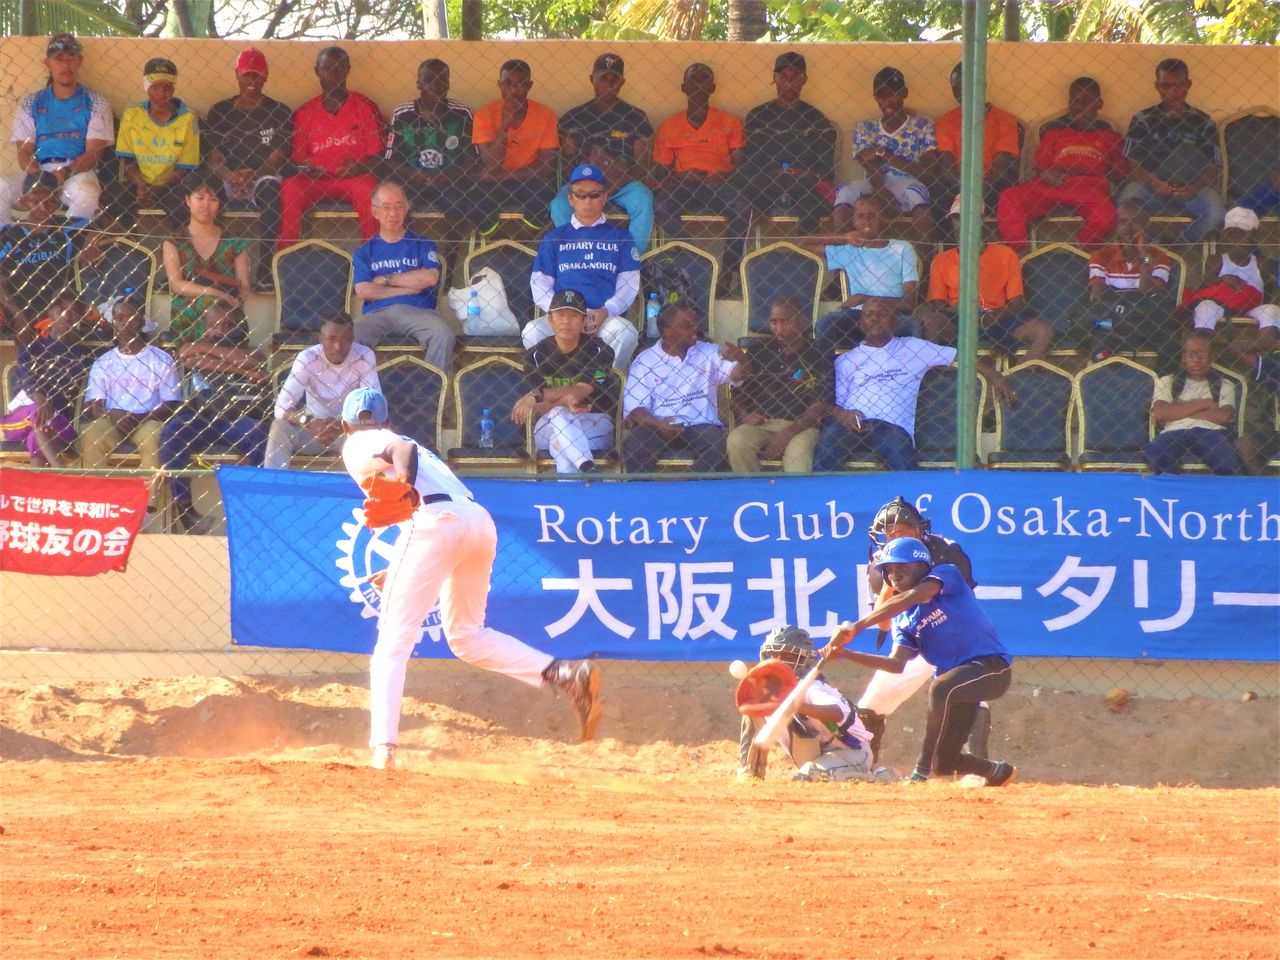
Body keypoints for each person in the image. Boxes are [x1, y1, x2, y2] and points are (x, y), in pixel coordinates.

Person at [339, 386, 603, 770]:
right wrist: (399, 563)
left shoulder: (358, 442)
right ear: (389, 419)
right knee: (467, 637)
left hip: (436, 525)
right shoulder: (412, 444)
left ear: (344, 426)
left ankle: (384, 752)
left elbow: (401, 452)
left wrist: (404, 484)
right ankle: (564, 673)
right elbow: (421, 481)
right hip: (475, 522)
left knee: (393, 642)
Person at [824, 536, 1016, 787]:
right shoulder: (904, 620)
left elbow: (910, 597)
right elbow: (896, 665)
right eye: (889, 570)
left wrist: (857, 627)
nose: (894, 575)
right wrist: (846, 654)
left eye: (902, 567)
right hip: (957, 687)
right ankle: (998, 771)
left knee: (939, 687)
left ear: (922, 566)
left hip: (991, 669)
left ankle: (919, 773)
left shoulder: (946, 575)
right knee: (944, 763)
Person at [852, 496, 987, 766]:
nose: (896, 538)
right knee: (870, 706)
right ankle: (862, 766)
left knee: (970, 693)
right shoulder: (880, 563)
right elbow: (884, 623)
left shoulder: (947, 551)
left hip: (954, 636)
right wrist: (892, 572)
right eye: (890, 534)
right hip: (913, 640)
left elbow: (963, 603)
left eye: (903, 531)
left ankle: (976, 767)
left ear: (919, 530)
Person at [811, 297, 1012, 472]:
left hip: (891, 427)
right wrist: (844, 415)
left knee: (902, 459)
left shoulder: (913, 347)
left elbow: (962, 357)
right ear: (861, 324)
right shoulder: (845, 360)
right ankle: (819, 498)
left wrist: (996, 376)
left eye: (882, 314)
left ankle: (912, 501)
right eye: (869, 315)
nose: (875, 318)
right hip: (853, 423)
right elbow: (839, 404)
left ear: (894, 322)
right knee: (828, 446)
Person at [160, 302, 271, 531]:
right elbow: (189, 356)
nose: (221, 331)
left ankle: (255, 505)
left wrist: (211, 355)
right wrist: (243, 371)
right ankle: (186, 509)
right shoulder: (194, 346)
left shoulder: (252, 351)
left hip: (236, 420)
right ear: (205, 327)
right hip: (202, 419)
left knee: (260, 432)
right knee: (173, 431)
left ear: (239, 327)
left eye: (228, 325)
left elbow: (252, 360)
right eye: (214, 325)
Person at [526, 163, 641, 372]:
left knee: (626, 332)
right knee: (532, 331)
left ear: (604, 197)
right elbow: (539, 284)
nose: (587, 201)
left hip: (602, 318)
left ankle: (603, 383)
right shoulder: (555, 238)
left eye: (594, 195)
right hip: (564, 317)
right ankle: (555, 383)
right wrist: (562, 314)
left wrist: (605, 311)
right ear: (570, 199)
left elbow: (629, 284)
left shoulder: (621, 237)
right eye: (580, 195)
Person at [651, 63, 751, 296]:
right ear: (684, 87)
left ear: (712, 87)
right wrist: (680, 175)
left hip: (717, 184)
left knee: (742, 207)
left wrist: (723, 175)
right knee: (660, 205)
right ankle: (696, 259)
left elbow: (742, 166)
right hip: (683, 184)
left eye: (704, 80)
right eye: (693, 80)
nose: (698, 85)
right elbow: (659, 172)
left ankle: (727, 272)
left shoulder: (729, 122)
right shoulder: (669, 126)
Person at [996, 77, 1124, 256]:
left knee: (1106, 215)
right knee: (1009, 198)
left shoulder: (1110, 136)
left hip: (1089, 188)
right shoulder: (1054, 133)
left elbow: (1120, 172)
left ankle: (1082, 252)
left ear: (1099, 104)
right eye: (1074, 101)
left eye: (1086, 101)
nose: (1079, 106)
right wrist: (1046, 174)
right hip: (1052, 184)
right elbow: (1040, 167)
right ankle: (1019, 255)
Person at [919, 196, 1055, 360]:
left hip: (998, 318)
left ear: (981, 220)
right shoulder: (941, 260)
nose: (962, 224)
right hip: (958, 319)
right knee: (932, 321)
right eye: (957, 218)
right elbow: (938, 305)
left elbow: (1017, 303)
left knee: (1043, 331)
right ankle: (936, 370)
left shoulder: (1005, 255)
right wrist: (963, 310)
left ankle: (1024, 370)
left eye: (969, 218)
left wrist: (994, 315)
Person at [736, 626, 877, 783]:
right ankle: (750, 773)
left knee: (808, 778)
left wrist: (794, 705)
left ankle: (878, 777)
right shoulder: (777, 690)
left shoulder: (813, 687)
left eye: (786, 656)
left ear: (804, 661)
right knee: (755, 707)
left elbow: (837, 713)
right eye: (773, 655)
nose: (777, 661)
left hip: (850, 751)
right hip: (817, 747)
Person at [621, 302, 747, 473]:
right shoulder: (645, 361)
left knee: (717, 446)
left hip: (700, 423)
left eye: (695, 324)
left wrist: (741, 360)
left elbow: (737, 374)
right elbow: (636, 408)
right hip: (658, 424)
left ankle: (687, 483)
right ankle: (645, 489)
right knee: (634, 445)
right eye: (688, 326)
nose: (695, 329)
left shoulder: (709, 351)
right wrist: (659, 425)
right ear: (666, 331)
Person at [0, 33, 111, 226]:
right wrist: (40, 178)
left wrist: (64, 173)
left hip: (74, 173)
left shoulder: (96, 102)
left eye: (71, 59)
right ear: (48, 63)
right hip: (38, 171)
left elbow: (93, 154)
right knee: (2, 187)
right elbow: (24, 152)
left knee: (86, 192)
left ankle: (70, 241)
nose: (66, 65)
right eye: (59, 59)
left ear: (80, 61)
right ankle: (7, 239)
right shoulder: (30, 102)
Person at [278, 47, 384, 250]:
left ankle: (373, 257)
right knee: (290, 187)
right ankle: (286, 257)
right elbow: (297, 161)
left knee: (368, 188)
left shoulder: (364, 106)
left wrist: (359, 168)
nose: (334, 74)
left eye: (339, 68)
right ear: (317, 71)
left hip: (354, 178)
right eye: (327, 68)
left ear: (348, 70)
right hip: (317, 180)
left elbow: (379, 157)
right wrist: (307, 169)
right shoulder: (305, 112)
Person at [203, 48, 292, 281]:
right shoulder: (221, 111)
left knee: (271, 192)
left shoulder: (278, 111)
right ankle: (208, 265)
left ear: (266, 76)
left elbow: (277, 158)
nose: (252, 80)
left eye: (257, 75)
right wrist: (232, 177)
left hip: (262, 176)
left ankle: (266, 269)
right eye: (247, 75)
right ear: (237, 75)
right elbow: (214, 159)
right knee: (204, 192)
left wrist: (251, 177)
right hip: (228, 177)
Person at [552, 52, 654, 253]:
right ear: (592, 80)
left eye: (614, 80)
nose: (608, 85)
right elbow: (565, 164)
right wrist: (583, 185)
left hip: (623, 184)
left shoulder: (636, 117)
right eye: (603, 79)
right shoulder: (574, 117)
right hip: (583, 185)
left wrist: (614, 182)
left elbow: (642, 168)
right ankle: (578, 256)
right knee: (559, 204)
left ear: (621, 83)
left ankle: (629, 259)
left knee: (643, 199)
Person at [511, 289, 618, 475]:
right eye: (560, 315)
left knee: (560, 443)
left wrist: (539, 395)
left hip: (594, 421)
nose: (566, 321)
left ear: (584, 320)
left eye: (573, 315)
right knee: (559, 414)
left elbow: (583, 389)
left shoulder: (602, 352)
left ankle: (571, 485)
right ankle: (586, 467)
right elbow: (539, 409)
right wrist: (561, 402)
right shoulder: (534, 356)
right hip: (548, 424)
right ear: (550, 319)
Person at [351, 181, 455, 371]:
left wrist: (386, 280)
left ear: (407, 209)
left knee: (443, 335)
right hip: (378, 314)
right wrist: (408, 288)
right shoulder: (365, 251)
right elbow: (364, 291)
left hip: (419, 312)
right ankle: (362, 388)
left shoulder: (422, 243)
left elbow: (430, 278)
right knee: (351, 334)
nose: (393, 214)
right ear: (374, 211)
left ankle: (433, 388)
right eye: (386, 207)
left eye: (399, 207)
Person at [1119, 58, 1224, 244]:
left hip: (1191, 188)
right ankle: (1152, 247)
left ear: (1188, 85)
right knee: (1127, 201)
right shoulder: (1143, 120)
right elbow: (1131, 166)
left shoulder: (1203, 121)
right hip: (1150, 186)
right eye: (1166, 86)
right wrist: (1152, 180)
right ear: (1157, 87)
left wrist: (1195, 185)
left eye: (1179, 85)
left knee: (1216, 212)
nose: (1173, 92)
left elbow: (1213, 168)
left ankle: (1180, 244)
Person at [726, 298, 831, 474]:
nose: (778, 329)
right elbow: (737, 395)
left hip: (801, 426)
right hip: (763, 423)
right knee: (737, 441)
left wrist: (788, 433)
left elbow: (819, 406)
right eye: (774, 322)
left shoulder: (817, 355)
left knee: (798, 455)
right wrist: (745, 415)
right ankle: (754, 490)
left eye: (785, 322)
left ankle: (794, 493)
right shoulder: (758, 351)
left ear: (801, 322)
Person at [79, 294, 181, 475]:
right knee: (91, 434)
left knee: (155, 437)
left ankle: (151, 493)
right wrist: (113, 414)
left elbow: (171, 403)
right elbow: (93, 404)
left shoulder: (161, 359)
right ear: (113, 322)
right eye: (119, 318)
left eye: (131, 318)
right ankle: (95, 490)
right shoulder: (103, 362)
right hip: (112, 419)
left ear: (141, 321)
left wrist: (140, 418)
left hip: (148, 419)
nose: (125, 324)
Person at [739, 52, 838, 236]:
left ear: (804, 80)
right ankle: (752, 252)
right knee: (745, 197)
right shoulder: (758, 116)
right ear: (774, 78)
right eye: (783, 76)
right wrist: (774, 174)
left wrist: (804, 174)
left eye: (795, 77)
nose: (789, 82)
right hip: (768, 183)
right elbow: (750, 163)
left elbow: (826, 168)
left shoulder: (816, 119)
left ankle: (806, 252)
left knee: (811, 202)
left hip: (804, 184)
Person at [264, 313, 380, 469]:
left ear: (352, 339)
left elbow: (374, 405)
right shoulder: (307, 358)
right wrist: (310, 422)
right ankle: (274, 481)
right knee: (279, 427)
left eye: (345, 340)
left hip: (348, 431)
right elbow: (281, 408)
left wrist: (344, 424)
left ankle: (366, 482)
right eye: (331, 339)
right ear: (320, 338)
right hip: (311, 431)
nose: (338, 347)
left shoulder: (364, 355)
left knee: (373, 431)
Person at [833, 66, 936, 242]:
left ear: (904, 93)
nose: (887, 101)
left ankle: (925, 256)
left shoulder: (922, 126)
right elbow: (870, 165)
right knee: (844, 190)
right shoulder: (865, 127)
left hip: (907, 183)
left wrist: (882, 152)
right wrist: (881, 192)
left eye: (893, 94)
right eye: (881, 95)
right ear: (875, 96)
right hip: (873, 182)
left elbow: (926, 172)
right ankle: (841, 252)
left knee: (916, 192)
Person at [806, 193, 919, 352]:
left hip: (892, 316)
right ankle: (828, 368)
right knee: (825, 323)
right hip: (858, 317)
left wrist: (863, 298)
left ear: (884, 219)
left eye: (872, 216)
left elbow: (908, 304)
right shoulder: (849, 250)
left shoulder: (902, 248)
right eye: (860, 216)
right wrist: (843, 238)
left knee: (914, 326)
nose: (867, 221)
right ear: (853, 221)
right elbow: (802, 243)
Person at [101, 57, 200, 230]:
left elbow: (185, 167)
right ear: (147, 87)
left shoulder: (188, 118)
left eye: (167, 87)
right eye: (155, 87)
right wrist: (140, 184)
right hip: (137, 183)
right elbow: (127, 160)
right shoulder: (132, 115)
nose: (161, 93)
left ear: (173, 89)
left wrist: (160, 187)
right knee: (115, 196)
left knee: (182, 203)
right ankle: (126, 241)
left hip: (171, 184)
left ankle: (179, 241)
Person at [381, 58, 479, 229]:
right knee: (397, 202)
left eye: (442, 79)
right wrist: (414, 174)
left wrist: (446, 175)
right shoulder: (403, 114)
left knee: (458, 203)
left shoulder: (462, 113)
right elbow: (390, 159)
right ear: (418, 84)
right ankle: (406, 244)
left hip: (450, 181)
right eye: (429, 80)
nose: (436, 85)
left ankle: (452, 245)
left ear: (448, 84)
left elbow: (472, 160)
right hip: (412, 179)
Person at [161, 171, 254, 345]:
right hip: (188, 311)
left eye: (213, 199)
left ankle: (202, 354)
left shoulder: (234, 241)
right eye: (200, 198)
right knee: (209, 304)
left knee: (226, 318)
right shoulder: (174, 241)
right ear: (187, 200)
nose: (206, 205)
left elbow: (245, 287)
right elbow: (176, 284)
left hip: (227, 310)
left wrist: (234, 302)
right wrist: (215, 293)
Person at [0, 293, 94, 465]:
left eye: (74, 311)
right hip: (25, 416)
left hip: (61, 422)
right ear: (50, 312)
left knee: (38, 432)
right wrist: (39, 398)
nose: (67, 315)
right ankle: (61, 473)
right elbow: (25, 375)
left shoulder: (84, 354)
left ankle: (47, 478)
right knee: (38, 415)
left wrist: (101, 322)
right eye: (62, 309)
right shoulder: (33, 347)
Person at [471, 59, 559, 233]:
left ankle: (527, 241)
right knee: (476, 203)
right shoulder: (484, 115)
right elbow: (491, 164)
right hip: (494, 180)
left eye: (521, 84)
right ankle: (496, 241)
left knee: (542, 200)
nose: (513, 90)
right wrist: (505, 125)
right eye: (507, 84)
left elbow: (545, 168)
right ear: (499, 85)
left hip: (528, 179)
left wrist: (499, 176)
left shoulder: (546, 115)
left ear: (529, 85)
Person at [1082, 200, 1173, 361]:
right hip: (1113, 321)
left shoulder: (1159, 256)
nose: (1128, 227)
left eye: (1135, 222)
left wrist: (1143, 255)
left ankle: (1164, 375)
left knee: (1171, 345)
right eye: (1123, 222)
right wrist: (1130, 306)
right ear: (1116, 226)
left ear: (1146, 226)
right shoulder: (1101, 255)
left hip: (1145, 323)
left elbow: (1150, 293)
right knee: (1094, 335)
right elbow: (1098, 295)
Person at [1177, 206, 1279, 345]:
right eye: (1231, 234)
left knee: (1272, 311)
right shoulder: (1216, 260)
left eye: (1241, 235)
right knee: (1206, 306)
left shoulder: (1262, 263)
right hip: (1222, 307)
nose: (1235, 239)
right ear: (1224, 236)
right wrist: (1223, 279)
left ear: (1253, 237)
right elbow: (1202, 287)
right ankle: (1203, 346)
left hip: (1251, 308)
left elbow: (1269, 290)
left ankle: (1258, 351)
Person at [934, 62, 1022, 220]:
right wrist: (967, 191)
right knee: (939, 194)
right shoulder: (945, 122)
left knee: (1005, 191)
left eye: (968, 87)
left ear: (982, 86)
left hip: (991, 185)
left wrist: (976, 190)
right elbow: (947, 169)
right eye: (956, 88)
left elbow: (1001, 168)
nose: (962, 93)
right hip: (956, 184)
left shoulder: (1004, 120)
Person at [1145, 330, 1237, 475]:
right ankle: (1177, 485)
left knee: (1226, 462)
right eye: (1191, 354)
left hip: (1211, 432)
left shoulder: (1224, 384)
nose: (1196, 360)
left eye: (1202, 355)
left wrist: (1177, 412)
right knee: (1155, 454)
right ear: (1183, 358)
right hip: (1174, 432)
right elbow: (1160, 414)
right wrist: (1204, 403)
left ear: (1212, 358)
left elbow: (1223, 416)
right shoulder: (1168, 381)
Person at [0, 174, 84, 323]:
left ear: (57, 202)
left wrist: (92, 242)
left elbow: (108, 224)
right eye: (35, 202)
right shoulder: (9, 234)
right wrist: (18, 316)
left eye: (49, 202)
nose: (43, 208)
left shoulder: (67, 227)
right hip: (16, 307)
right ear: (24, 202)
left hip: (57, 308)